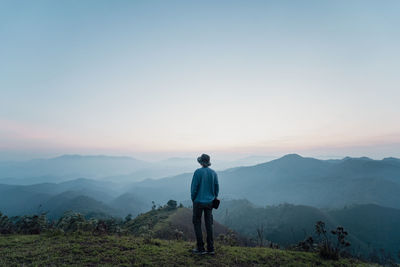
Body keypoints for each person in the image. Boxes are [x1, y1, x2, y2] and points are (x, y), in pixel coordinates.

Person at [191, 153, 219, 255]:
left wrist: (193, 198)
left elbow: (194, 188)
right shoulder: (213, 173)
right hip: (209, 202)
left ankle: (200, 248)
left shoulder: (198, 172)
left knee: (197, 222)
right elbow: (216, 188)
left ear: (201, 162)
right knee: (209, 224)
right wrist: (213, 197)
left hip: (198, 201)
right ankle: (211, 248)